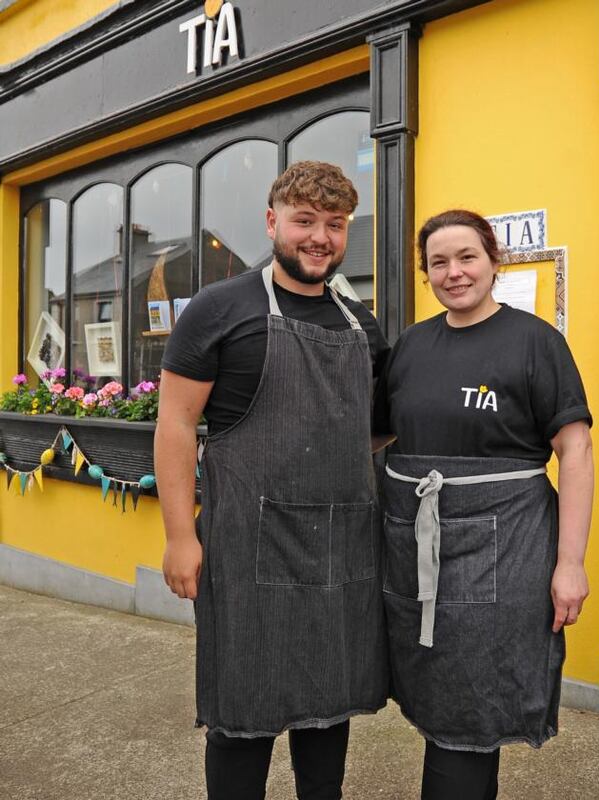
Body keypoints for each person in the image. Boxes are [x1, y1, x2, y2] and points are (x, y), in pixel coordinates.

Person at [156, 161, 390, 800]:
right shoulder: (219, 309)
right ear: (273, 222)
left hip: (340, 549)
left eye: (334, 225)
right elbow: (175, 425)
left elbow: (371, 431)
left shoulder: (359, 323)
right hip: (244, 546)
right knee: (242, 714)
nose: (320, 237)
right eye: (305, 221)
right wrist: (181, 536)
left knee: (329, 704)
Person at [373, 209, 594, 800]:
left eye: (466, 257)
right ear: (426, 275)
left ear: (494, 260)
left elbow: (575, 451)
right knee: (433, 694)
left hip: (509, 551)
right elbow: (375, 438)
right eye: (438, 263)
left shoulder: (535, 341)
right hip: (416, 549)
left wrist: (570, 563)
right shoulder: (411, 347)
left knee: (473, 705)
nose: (454, 272)